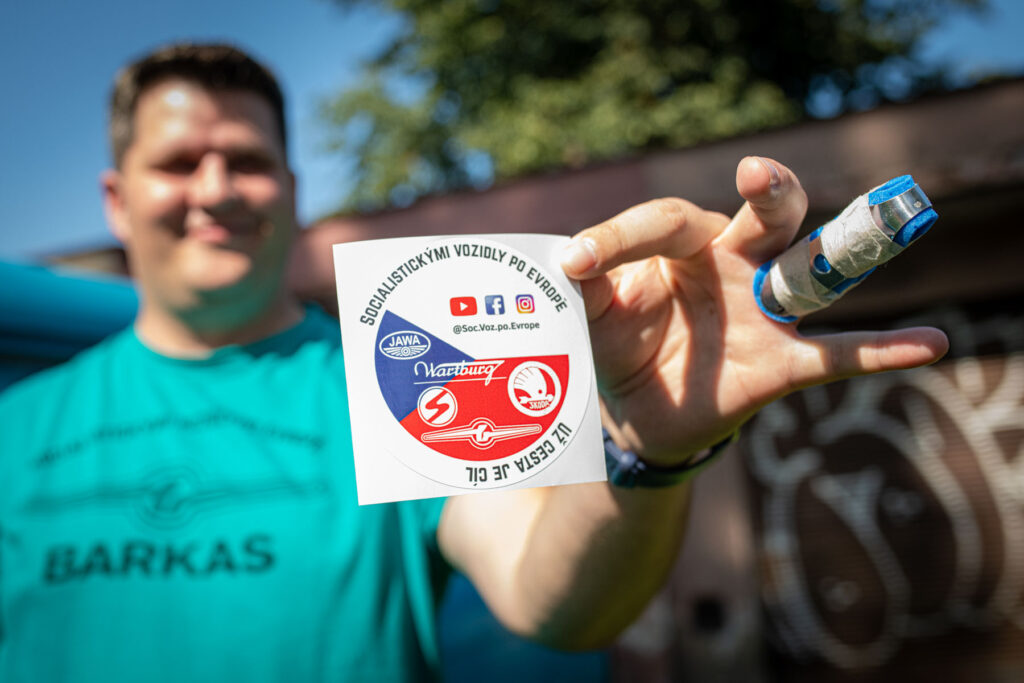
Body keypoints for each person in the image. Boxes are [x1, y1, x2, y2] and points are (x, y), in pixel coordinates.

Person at [0, 43, 948, 681]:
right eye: (178, 163)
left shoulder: (393, 383)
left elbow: (553, 600)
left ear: (288, 190)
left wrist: (645, 446)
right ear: (116, 199)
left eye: (244, 160)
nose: (215, 190)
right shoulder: (15, 428)